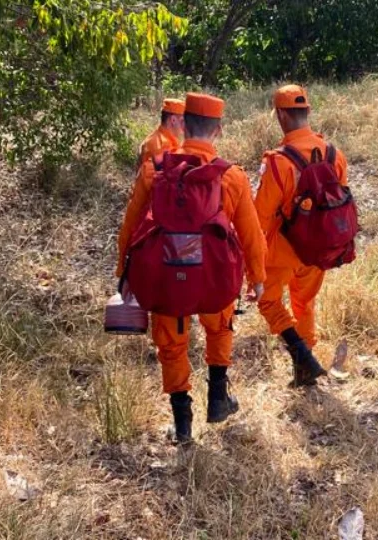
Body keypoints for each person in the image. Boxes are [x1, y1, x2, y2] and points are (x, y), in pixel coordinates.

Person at [115, 93, 267, 444]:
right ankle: (218, 398)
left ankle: (182, 425)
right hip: (214, 278)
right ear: (219, 129)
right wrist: (257, 278)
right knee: (220, 328)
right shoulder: (231, 176)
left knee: (171, 344)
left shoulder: (155, 170)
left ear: (182, 125)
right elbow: (251, 234)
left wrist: (123, 272)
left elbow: (130, 226)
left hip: (167, 278)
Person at [253, 85, 350, 387]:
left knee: (268, 300)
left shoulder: (278, 161)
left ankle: (301, 355)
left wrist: (251, 259)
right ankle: (304, 369)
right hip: (320, 248)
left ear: (280, 115)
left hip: (282, 249)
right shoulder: (335, 155)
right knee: (304, 302)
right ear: (307, 112)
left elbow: (260, 216)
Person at [138, 98, 185, 165]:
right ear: (173, 120)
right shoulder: (160, 145)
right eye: (183, 121)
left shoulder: (166, 138)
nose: (185, 125)